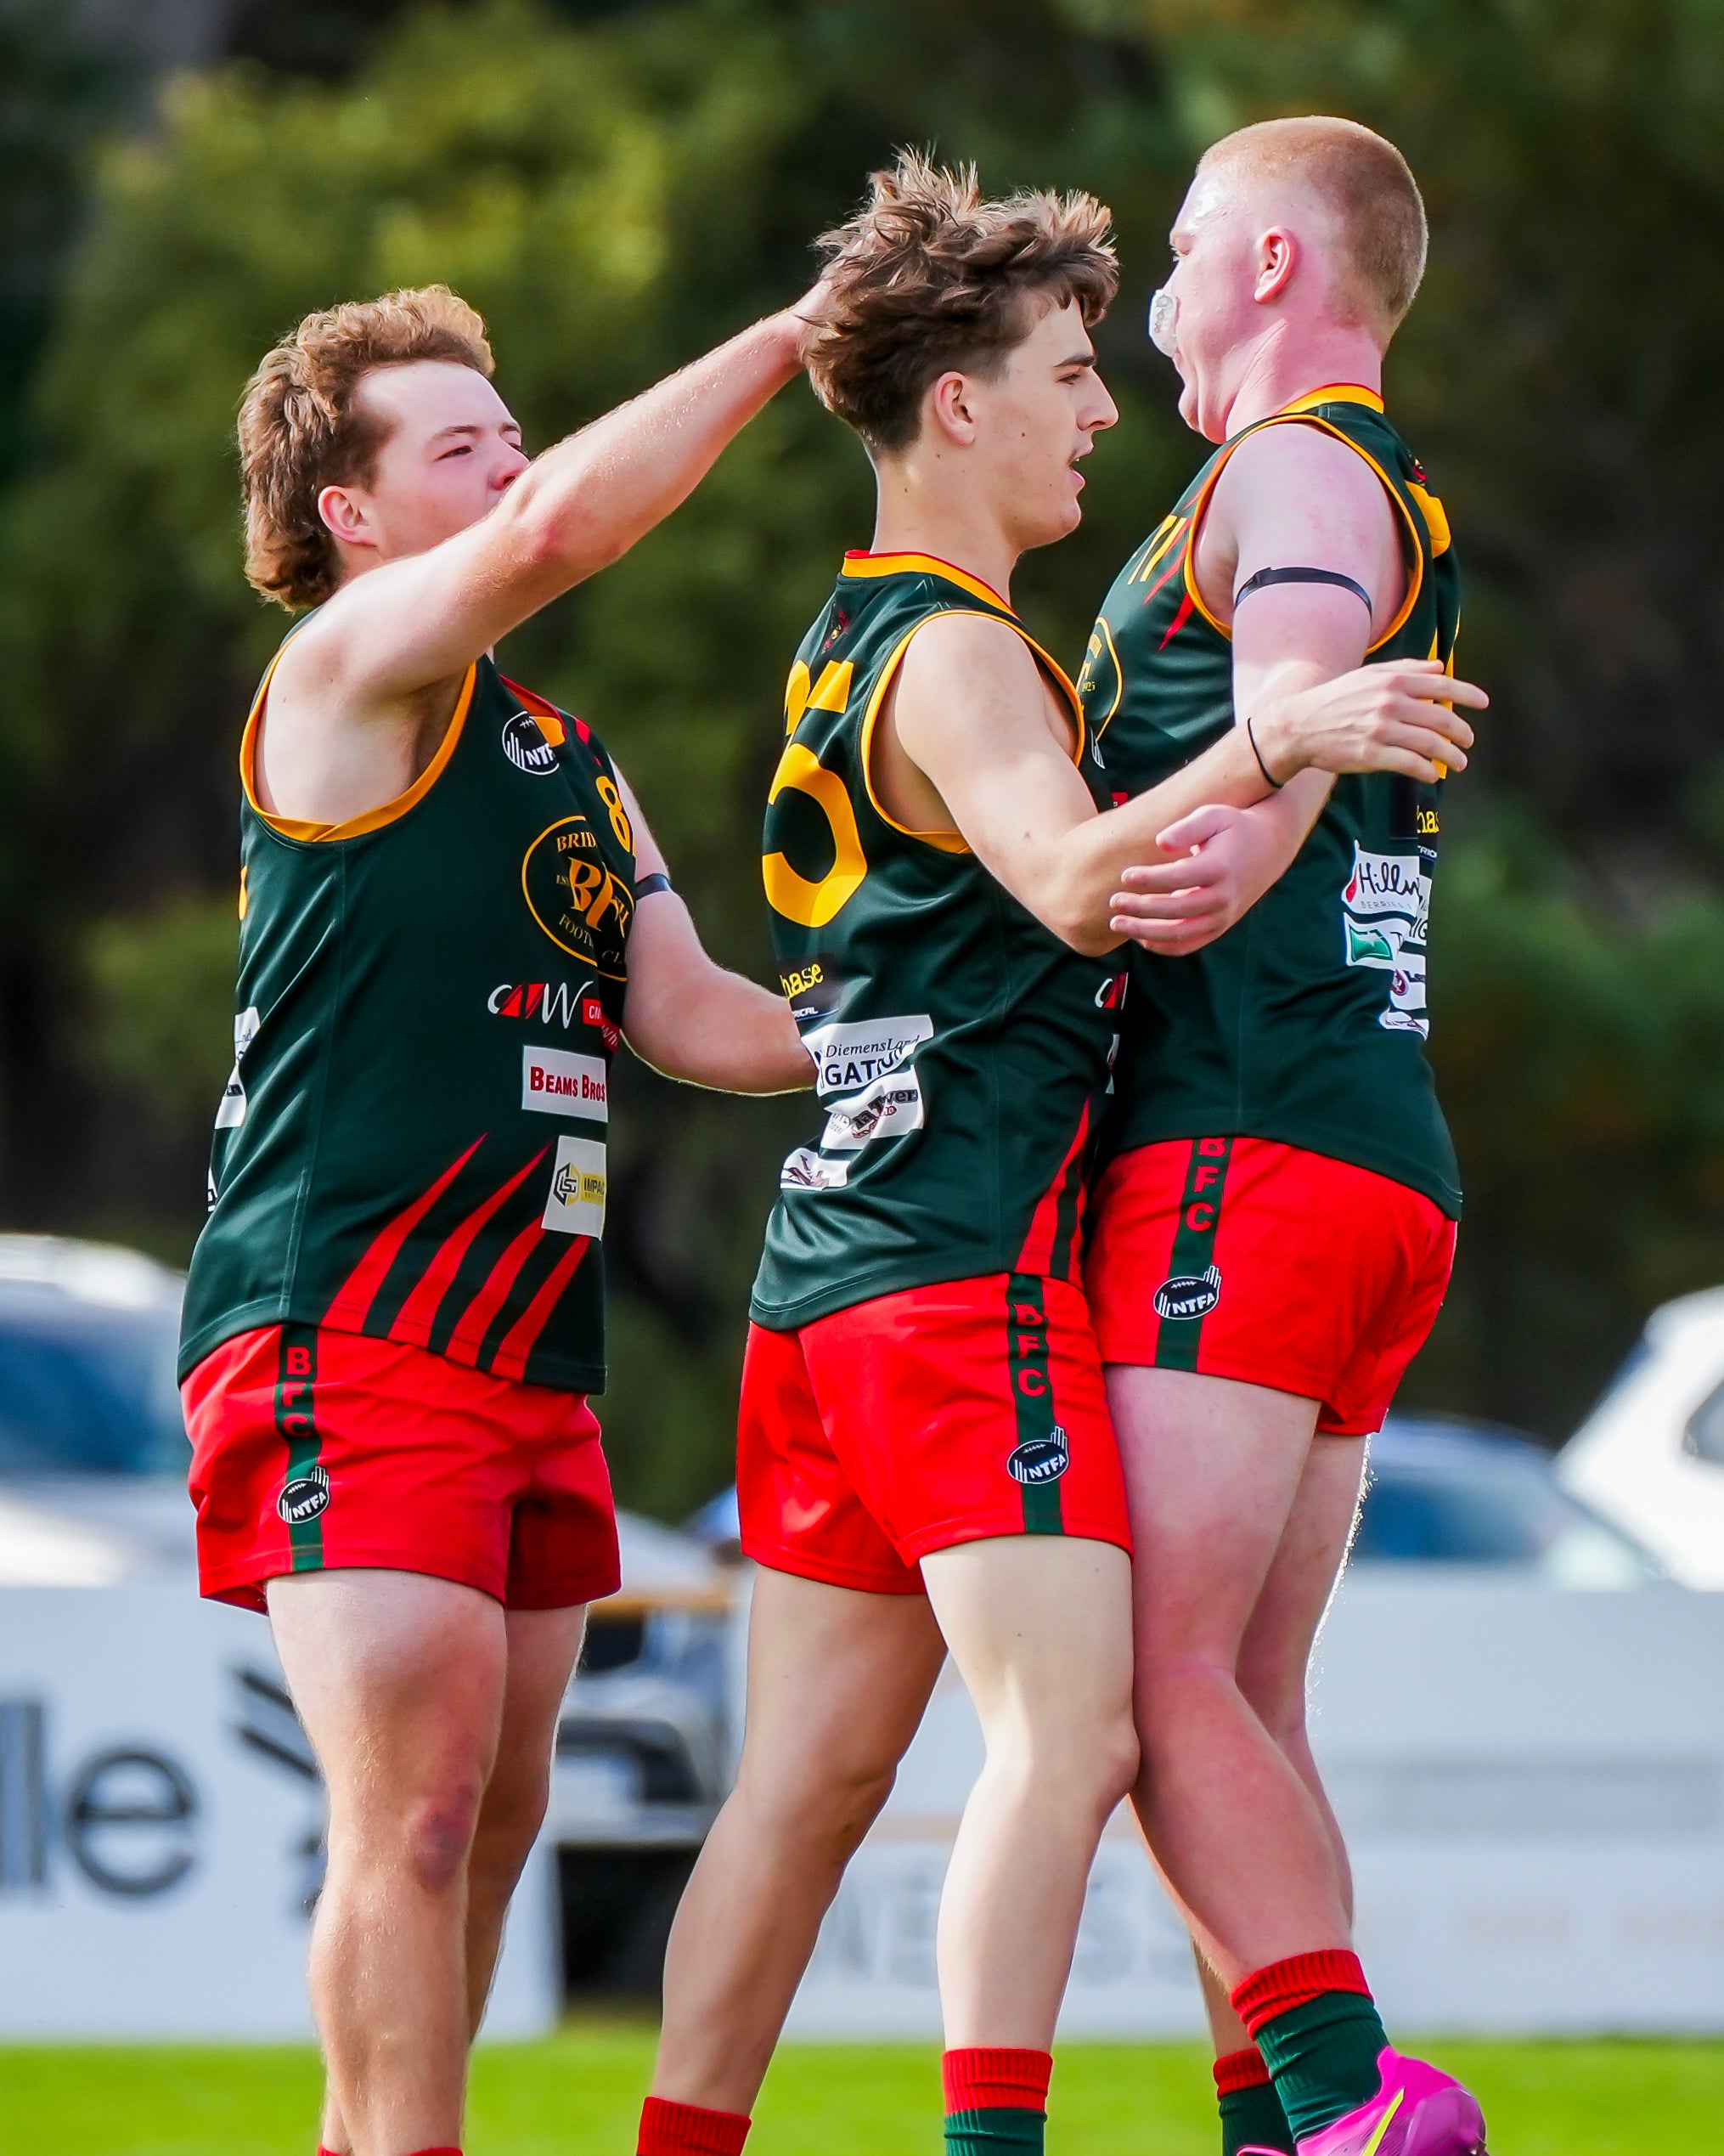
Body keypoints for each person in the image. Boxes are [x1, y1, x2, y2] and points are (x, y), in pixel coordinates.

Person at [631, 155, 1479, 2156]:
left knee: (848, 1779)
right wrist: (1275, 751)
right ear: (959, 406)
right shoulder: (974, 641)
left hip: (849, 1257)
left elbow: (799, 1007)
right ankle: (1308, 2108)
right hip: (1005, 1254)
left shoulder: (852, 640)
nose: (1105, 397)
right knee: (1131, 1713)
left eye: (1149, 302)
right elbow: (1092, 877)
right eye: (1067, 367)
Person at [177, 284, 823, 2156]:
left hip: (530, 1354)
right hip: (342, 1324)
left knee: (498, 1821)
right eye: (456, 444)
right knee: (422, 1819)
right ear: (349, 519)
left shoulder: (560, 746)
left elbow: (694, 1014)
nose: (515, 466)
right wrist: (795, 331)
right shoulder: (344, 675)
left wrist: (929, 1020)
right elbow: (562, 533)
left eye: (512, 428)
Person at [1079, 119, 1490, 2156]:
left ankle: (1356, 2099)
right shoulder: (1356, 470)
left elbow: (1295, 702)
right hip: (1357, 1153)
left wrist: (1211, 859)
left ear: (1260, 264)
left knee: (1147, 1692)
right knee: (1236, 1698)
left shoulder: (1289, 466)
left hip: (1244, 1143)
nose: (1146, 294)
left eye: (1169, 252)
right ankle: (1286, 2133)